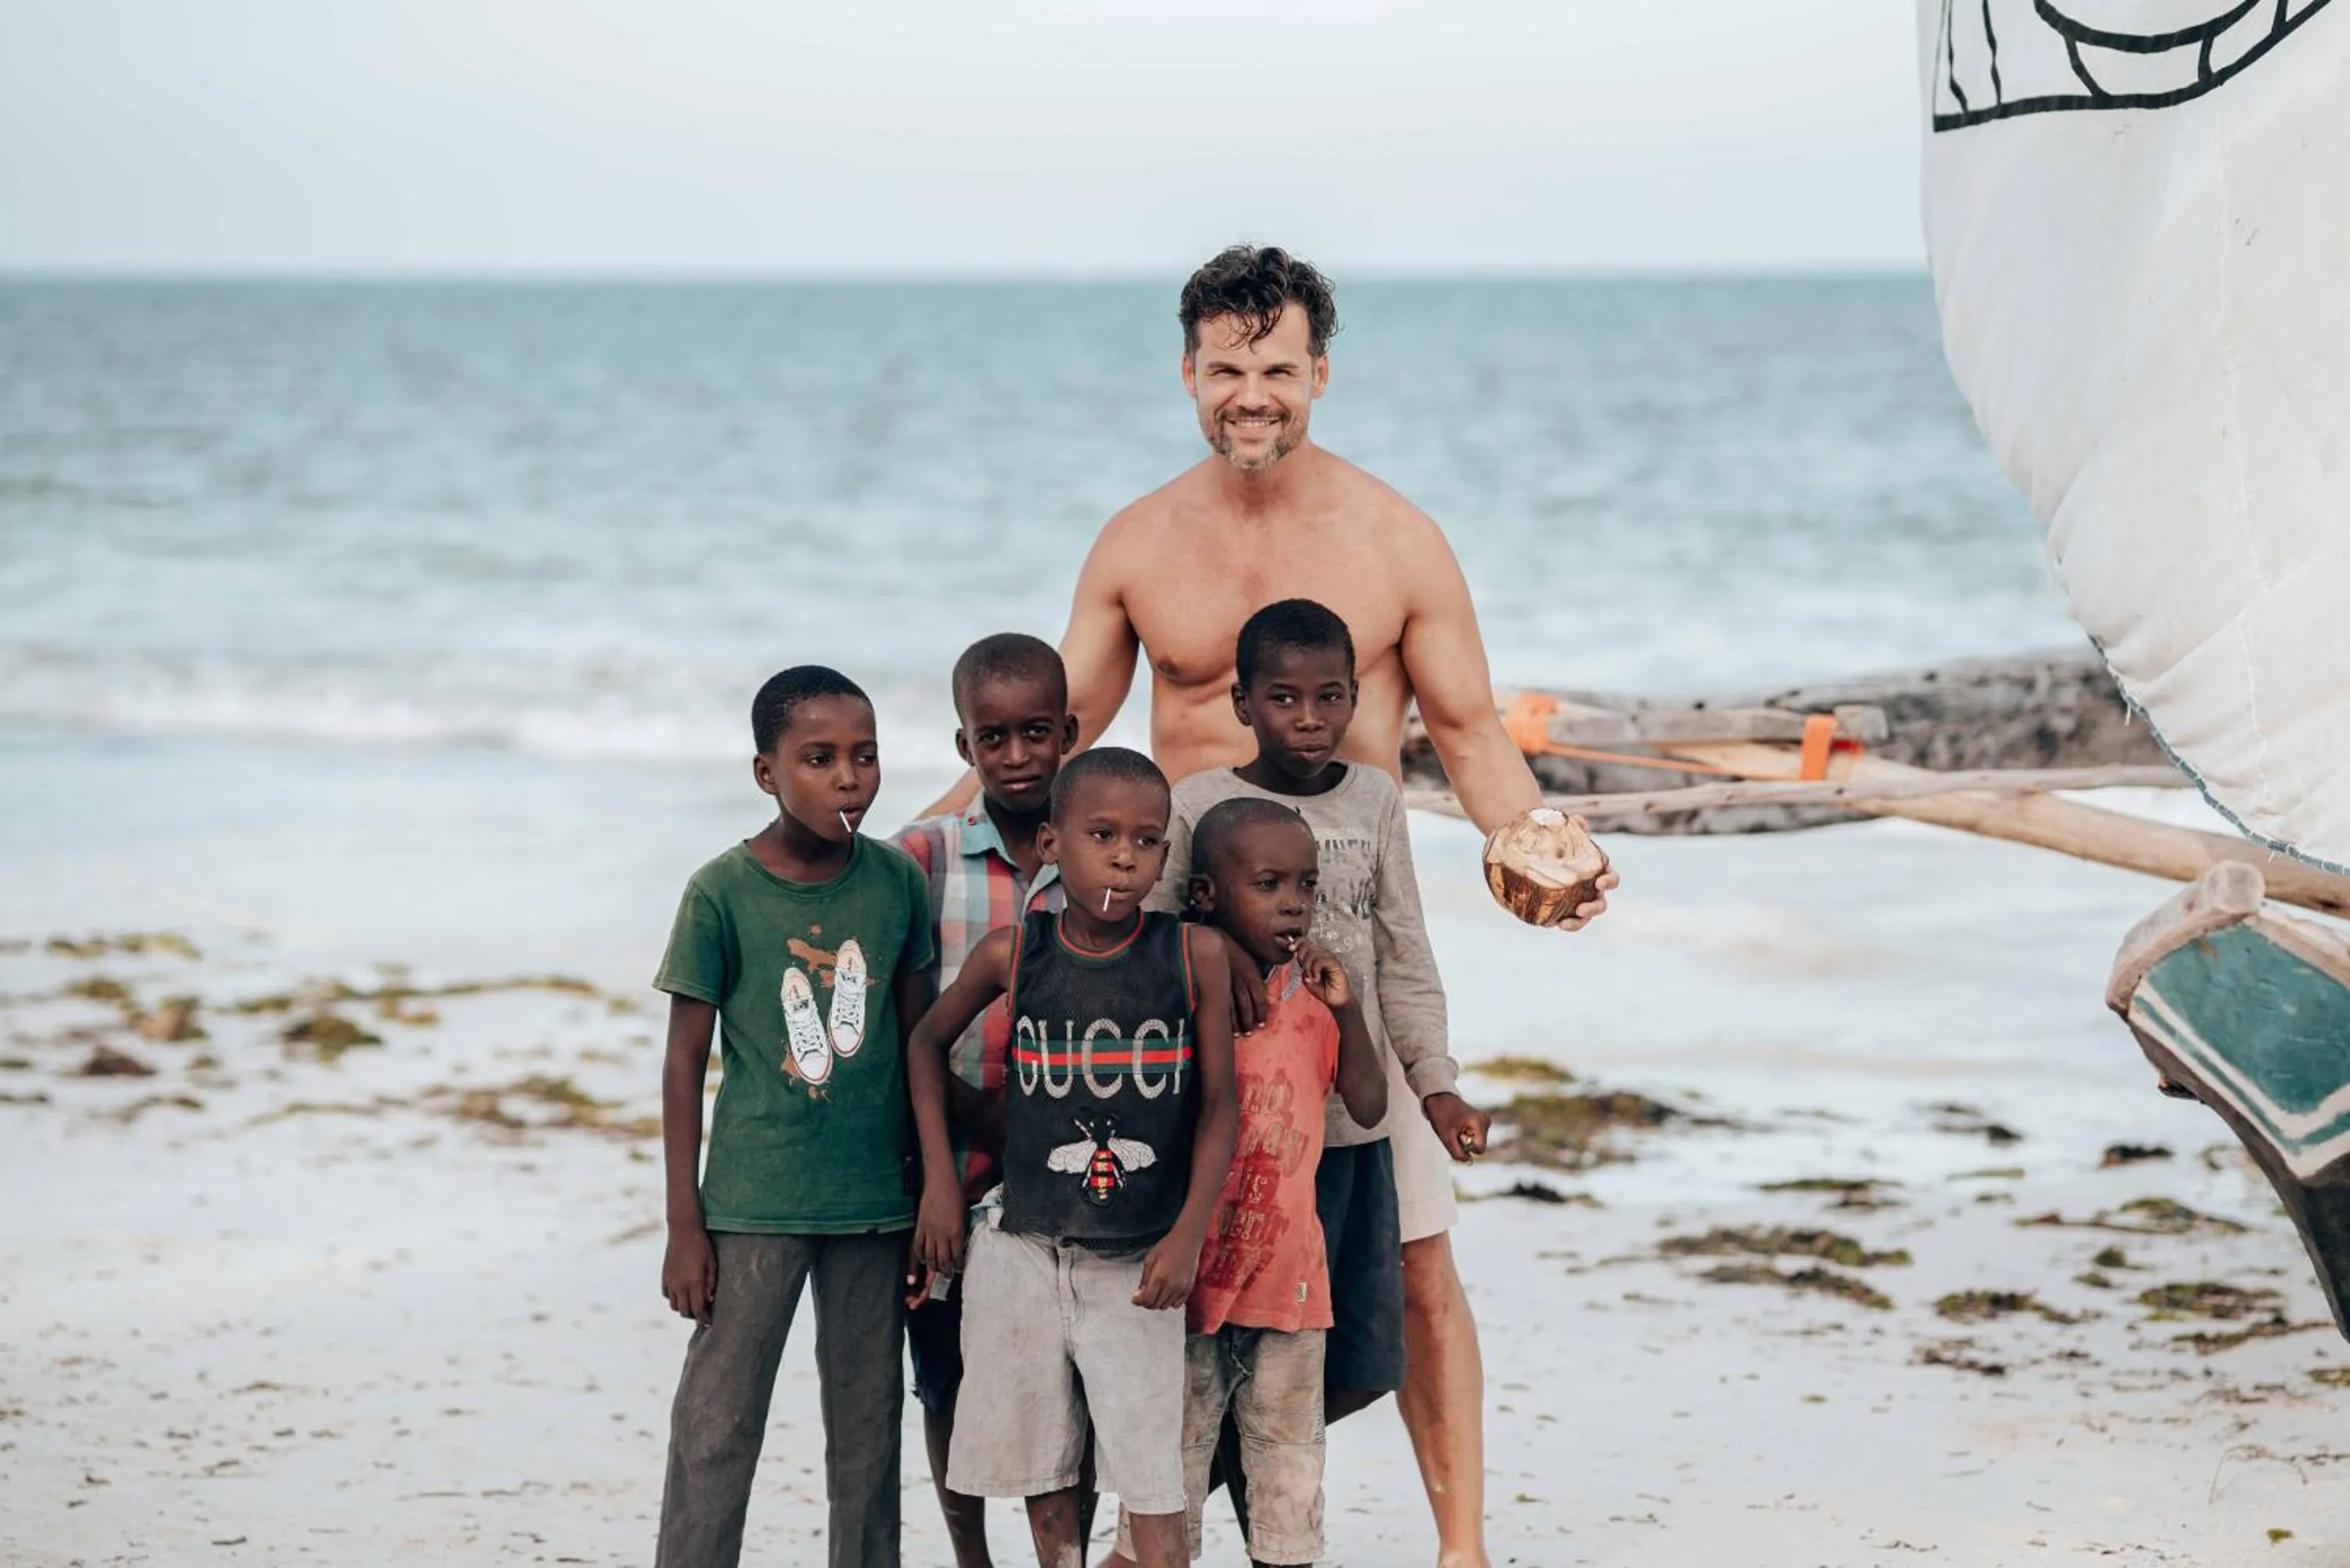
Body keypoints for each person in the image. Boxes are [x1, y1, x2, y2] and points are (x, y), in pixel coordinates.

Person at [927, 244, 1620, 1568]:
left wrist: (1544, 844)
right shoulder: (1139, 540)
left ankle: (1461, 1547)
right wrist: (918, 847)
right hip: (1177, 961)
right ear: (1189, 373)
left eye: (1281, 370)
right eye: (1230, 370)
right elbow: (1044, 739)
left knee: (1417, 1257)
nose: (1256, 395)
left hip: (1341, 951)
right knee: (1164, 1254)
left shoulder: (1395, 538)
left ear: (1322, 372)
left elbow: (1471, 728)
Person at [906, 747, 1239, 1568]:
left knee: (1151, 1478)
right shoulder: (1014, 953)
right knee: (1044, 1466)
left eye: (1147, 840)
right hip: (1021, 1248)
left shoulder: (1193, 956)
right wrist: (943, 1185)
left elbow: (1221, 1104)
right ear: (1053, 843)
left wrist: (1190, 1234)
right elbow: (922, 1044)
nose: (1125, 856)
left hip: (1136, 1261)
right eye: (1102, 834)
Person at [653, 665, 935, 1568]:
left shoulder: (895, 883)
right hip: (751, 1204)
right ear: (766, 773)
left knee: (867, 1437)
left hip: (873, 1206)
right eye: (818, 758)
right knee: (717, 1427)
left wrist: (934, 1194)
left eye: (865, 756)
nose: (849, 777)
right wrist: (683, 1223)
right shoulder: (721, 892)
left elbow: (919, 1043)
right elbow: (682, 1062)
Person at [1115, 797, 1388, 1567]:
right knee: (1170, 1468)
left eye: (1305, 884)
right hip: (1184, 1285)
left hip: (1290, 1287)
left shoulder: (1314, 996)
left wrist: (1351, 1009)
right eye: (1268, 883)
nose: (1294, 902)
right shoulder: (1177, 987)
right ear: (1204, 894)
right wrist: (1196, 945)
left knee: (1288, 1473)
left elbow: (1366, 1103)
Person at [893, 633, 1079, 1568]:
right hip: (949, 1171)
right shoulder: (919, 857)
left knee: (1066, 1381)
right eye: (992, 738)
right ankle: (972, 1557)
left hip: (1073, 1174)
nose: (1015, 757)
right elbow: (901, 1027)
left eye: (1035, 733)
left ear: (1070, 734)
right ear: (963, 748)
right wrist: (949, 1159)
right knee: (947, 1380)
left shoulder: (1103, 849)